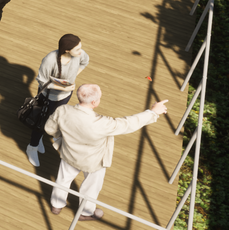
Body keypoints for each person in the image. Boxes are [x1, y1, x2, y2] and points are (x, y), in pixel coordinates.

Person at [42, 84, 169, 219]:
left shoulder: (62, 110)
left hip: (69, 154)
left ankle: (56, 205)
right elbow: (128, 123)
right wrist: (153, 112)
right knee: (91, 187)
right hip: (94, 161)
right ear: (94, 102)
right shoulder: (103, 123)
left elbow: (49, 129)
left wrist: (62, 137)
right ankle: (85, 213)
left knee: (63, 179)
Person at [26, 35, 88, 166]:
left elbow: (85, 61)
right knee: (41, 121)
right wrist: (63, 87)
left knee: (53, 120)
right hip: (48, 96)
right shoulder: (50, 60)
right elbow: (42, 81)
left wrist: (73, 76)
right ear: (67, 50)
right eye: (77, 49)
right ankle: (32, 147)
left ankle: (39, 138)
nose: (81, 51)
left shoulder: (79, 54)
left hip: (64, 96)